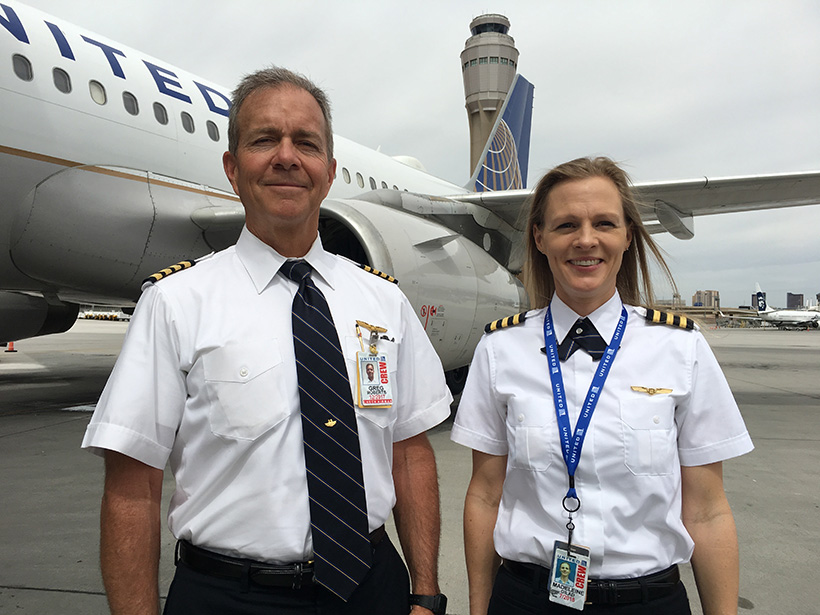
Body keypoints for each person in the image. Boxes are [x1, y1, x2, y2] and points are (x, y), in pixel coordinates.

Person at [82, 67, 452, 615]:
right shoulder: (176, 302)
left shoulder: (383, 302)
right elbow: (133, 486)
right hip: (230, 595)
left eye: (306, 143)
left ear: (328, 174)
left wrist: (425, 590)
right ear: (233, 169)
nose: (286, 157)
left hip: (372, 588)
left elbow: (409, 450)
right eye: (263, 140)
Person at [451, 156, 753, 615]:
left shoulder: (680, 349)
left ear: (627, 236)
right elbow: (485, 494)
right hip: (528, 599)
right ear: (540, 237)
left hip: (646, 601)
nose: (585, 240)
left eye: (604, 223)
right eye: (566, 224)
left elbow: (708, 512)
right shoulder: (500, 350)